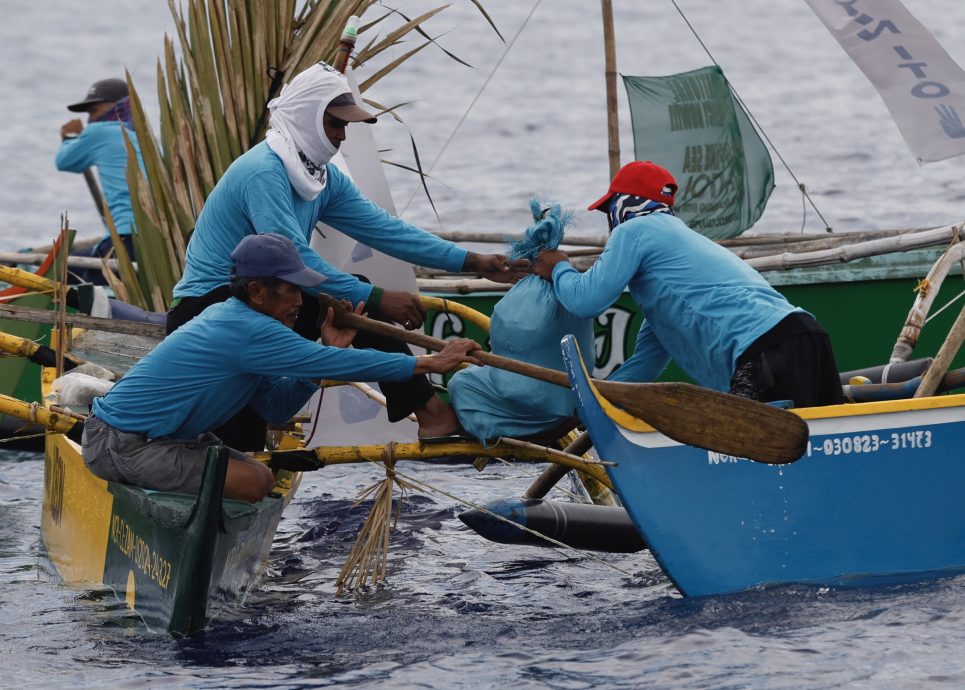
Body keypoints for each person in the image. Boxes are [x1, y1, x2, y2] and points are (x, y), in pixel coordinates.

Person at [167, 61, 524, 449]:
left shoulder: (322, 176)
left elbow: (386, 229)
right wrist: (376, 299)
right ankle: (431, 414)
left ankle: (430, 415)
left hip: (264, 302)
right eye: (335, 124)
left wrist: (472, 262)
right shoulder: (263, 172)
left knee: (246, 440)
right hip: (209, 307)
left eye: (346, 127)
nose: (341, 137)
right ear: (305, 118)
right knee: (233, 439)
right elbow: (296, 257)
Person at [81, 233, 481, 503]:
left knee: (257, 472)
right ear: (256, 291)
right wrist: (431, 362)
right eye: (291, 289)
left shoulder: (244, 323)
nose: (300, 301)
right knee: (256, 482)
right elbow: (339, 361)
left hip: (157, 439)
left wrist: (314, 363)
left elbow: (274, 408)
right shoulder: (246, 329)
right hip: (120, 443)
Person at [533, 161, 843, 408]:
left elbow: (587, 301)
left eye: (608, 210)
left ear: (624, 205)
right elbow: (644, 366)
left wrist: (558, 267)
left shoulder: (635, 230)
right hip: (808, 336)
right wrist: (594, 403)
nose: (608, 220)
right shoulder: (676, 261)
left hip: (764, 349)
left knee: (754, 463)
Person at [55, 77, 145, 283]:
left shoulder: (100, 131)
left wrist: (68, 136)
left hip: (124, 240)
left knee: (59, 274)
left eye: (94, 110)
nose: (89, 118)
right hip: (153, 239)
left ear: (116, 106)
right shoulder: (144, 136)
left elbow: (64, 161)